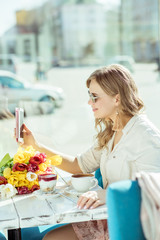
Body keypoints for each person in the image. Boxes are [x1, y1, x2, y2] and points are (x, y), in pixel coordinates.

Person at [21, 64, 160, 240]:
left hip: (129, 224)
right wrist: (36, 146)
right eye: (89, 96)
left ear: (117, 99)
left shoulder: (146, 136)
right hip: (104, 216)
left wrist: (108, 194)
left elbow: (154, 190)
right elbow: (79, 165)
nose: (89, 102)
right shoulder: (111, 131)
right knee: (49, 237)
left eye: (94, 97)